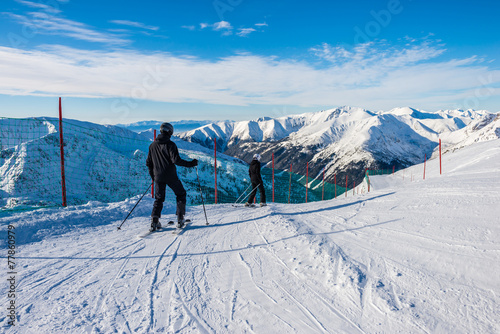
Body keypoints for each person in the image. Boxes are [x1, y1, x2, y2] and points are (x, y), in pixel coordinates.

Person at [146, 122, 198, 231]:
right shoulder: (170, 145)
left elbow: (149, 163)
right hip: (170, 176)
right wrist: (191, 163)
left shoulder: (152, 145)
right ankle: (180, 218)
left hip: (158, 177)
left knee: (159, 198)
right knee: (181, 193)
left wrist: (153, 176)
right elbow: (176, 161)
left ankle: (154, 221)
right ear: (170, 132)